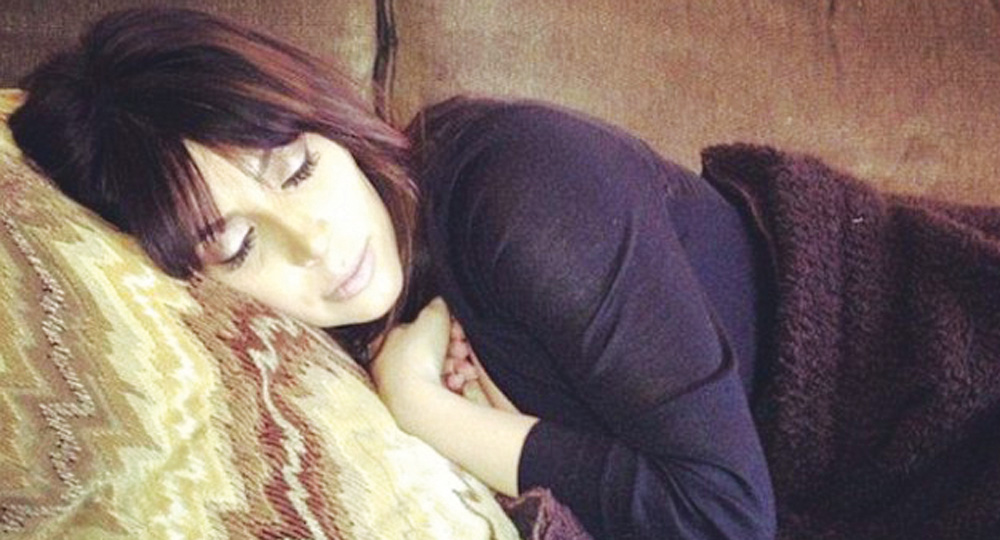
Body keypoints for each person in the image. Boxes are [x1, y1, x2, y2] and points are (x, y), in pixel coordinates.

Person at [9, 7, 776, 539]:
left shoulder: (519, 192)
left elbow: (724, 519)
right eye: (238, 246)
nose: (312, 241)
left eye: (297, 169)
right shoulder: (371, 327)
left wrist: (426, 411)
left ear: (328, 124)